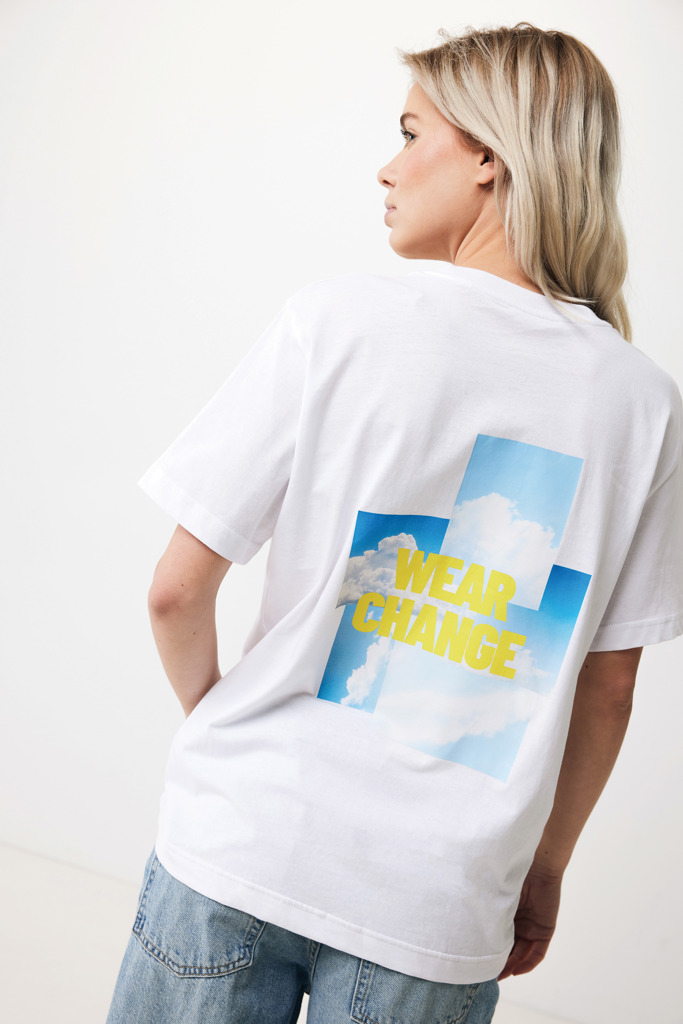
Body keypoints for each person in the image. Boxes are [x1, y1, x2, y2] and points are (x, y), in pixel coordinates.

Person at [106, 21, 683, 1024]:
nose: (386, 166)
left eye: (411, 133)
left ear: (488, 157)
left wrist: (220, 731)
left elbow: (174, 590)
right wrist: (543, 868)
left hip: (242, 836)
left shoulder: (336, 320)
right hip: (437, 901)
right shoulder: (637, 404)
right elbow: (609, 688)